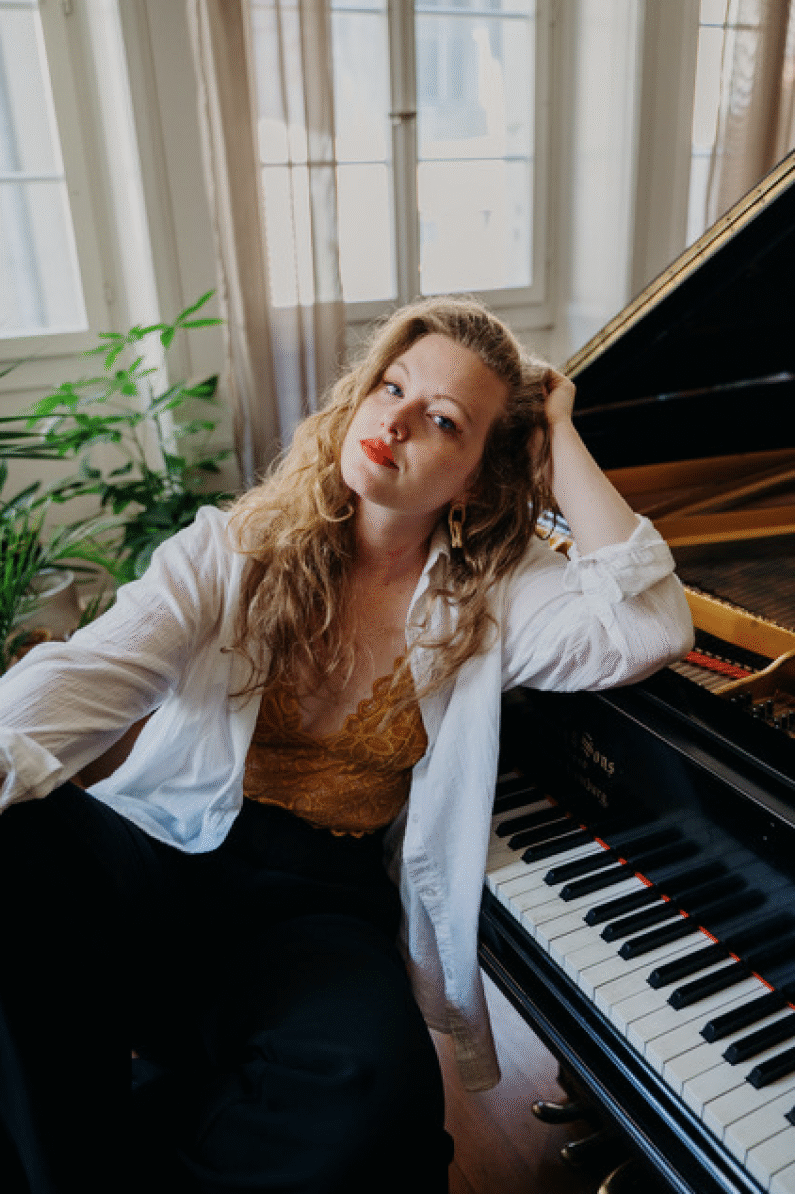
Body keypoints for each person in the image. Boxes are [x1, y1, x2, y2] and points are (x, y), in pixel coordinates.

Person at [0, 296, 693, 1194]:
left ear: (474, 479)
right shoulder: (232, 546)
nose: (396, 420)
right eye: (391, 387)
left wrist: (558, 431)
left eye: (443, 420)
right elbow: (86, 673)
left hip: (316, 898)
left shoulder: (496, 594)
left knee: (372, 1096)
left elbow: (648, 629)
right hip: (163, 850)